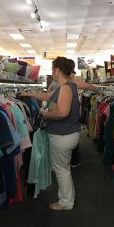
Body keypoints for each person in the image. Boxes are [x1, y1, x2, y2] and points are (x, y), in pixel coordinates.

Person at [17, 56, 80, 210]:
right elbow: (47, 96)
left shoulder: (65, 88)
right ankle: (68, 198)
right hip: (67, 134)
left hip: (63, 135)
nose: (52, 72)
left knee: (61, 170)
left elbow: (63, 112)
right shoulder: (66, 87)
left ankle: (66, 202)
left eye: (53, 69)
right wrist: (28, 94)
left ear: (57, 70)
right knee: (64, 169)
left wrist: (44, 114)